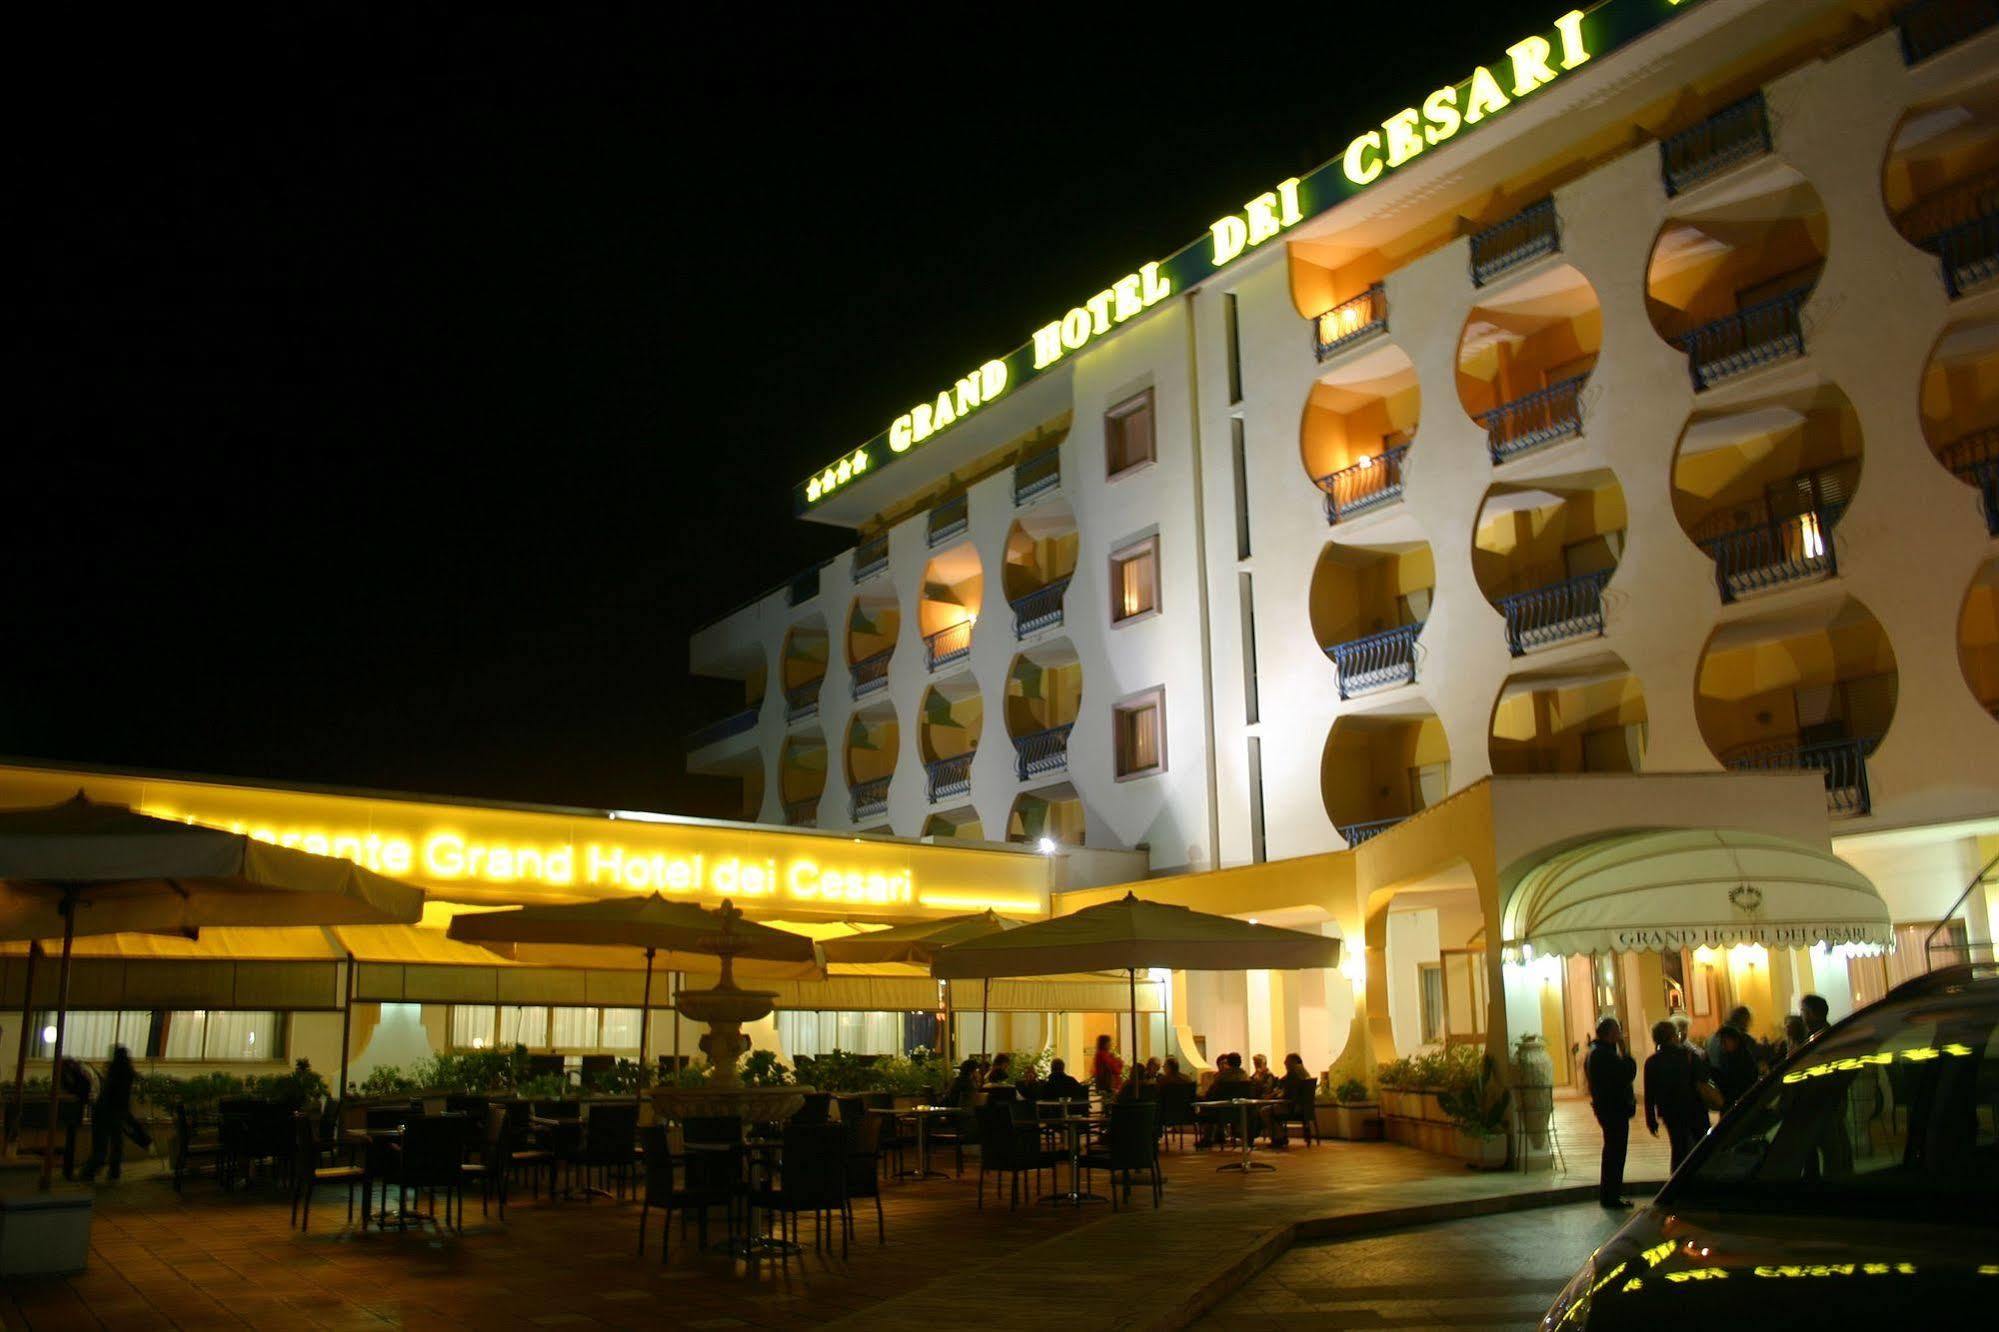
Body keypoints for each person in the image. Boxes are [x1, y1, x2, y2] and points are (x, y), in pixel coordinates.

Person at [1642, 1020, 1713, 1170]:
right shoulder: (1688, 1056)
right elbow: (1703, 1077)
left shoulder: (1652, 1062)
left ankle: (1677, 1180)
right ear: (1673, 1036)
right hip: (1693, 1109)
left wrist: (1651, 1119)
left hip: (1670, 1112)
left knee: (1678, 1148)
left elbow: (1649, 1095)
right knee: (1699, 1147)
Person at [1585, 1017, 1637, 1209]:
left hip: (1608, 1108)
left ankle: (1611, 1194)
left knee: (1613, 1151)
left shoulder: (1597, 1052)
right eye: (1618, 1030)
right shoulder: (1603, 1054)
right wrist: (1626, 1052)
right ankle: (1611, 1196)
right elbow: (1627, 1072)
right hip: (1613, 1109)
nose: (1621, 1034)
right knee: (1615, 1153)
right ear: (1610, 1033)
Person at [78, 1046, 146, 1183]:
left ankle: (91, 1172)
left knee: (101, 1146)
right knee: (116, 1144)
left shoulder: (114, 1072)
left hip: (103, 1112)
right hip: (114, 1112)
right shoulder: (126, 1073)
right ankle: (112, 1172)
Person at [1197, 1054, 1252, 1148]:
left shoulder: (1222, 1077)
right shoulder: (1245, 1076)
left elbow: (1213, 1093)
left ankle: (1208, 1138)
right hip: (1241, 1110)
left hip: (1223, 1109)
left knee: (1208, 1107)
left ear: (1229, 1063)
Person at [1267, 1053, 1316, 1149]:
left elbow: (1287, 1093)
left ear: (1293, 1062)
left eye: (1287, 1061)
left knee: (1265, 1111)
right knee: (1271, 1109)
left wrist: (1274, 1097)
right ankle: (1280, 1135)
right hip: (1303, 1108)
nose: (1284, 1063)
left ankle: (1279, 1138)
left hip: (1293, 1108)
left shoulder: (1293, 1072)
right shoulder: (1303, 1071)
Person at [57, 1058, 92, 1180]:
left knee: (69, 1142)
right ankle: (68, 1171)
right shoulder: (80, 1075)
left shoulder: (68, 1075)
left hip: (69, 1112)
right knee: (70, 1142)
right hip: (75, 1112)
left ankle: (67, 1171)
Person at [1709, 1024, 1759, 1108]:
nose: (1722, 1045)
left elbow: (1734, 1083)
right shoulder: (1727, 1056)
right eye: (1721, 1042)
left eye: (1724, 1041)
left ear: (1735, 1040)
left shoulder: (1744, 1059)